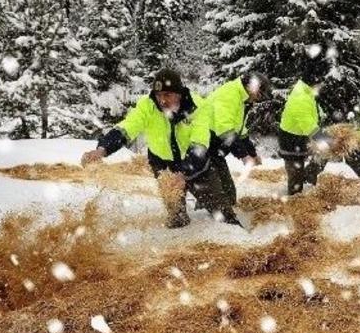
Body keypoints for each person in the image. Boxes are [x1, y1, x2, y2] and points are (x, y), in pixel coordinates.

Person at [80, 69, 239, 228]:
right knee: (177, 218)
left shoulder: (199, 107)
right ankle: (180, 242)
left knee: (223, 214)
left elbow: (199, 145)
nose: (162, 100)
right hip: (163, 166)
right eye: (159, 95)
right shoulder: (147, 105)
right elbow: (127, 128)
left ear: (179, 93)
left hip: (196, 166)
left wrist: (183, 174)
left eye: (167, 95)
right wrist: (102, 149)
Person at [206, 71, 271, 205]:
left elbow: (241, 132)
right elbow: (225, 130)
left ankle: (212, 207)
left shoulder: (242, 99)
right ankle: (214, 215)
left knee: (228, 194)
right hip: (203, 146)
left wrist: (252, 153)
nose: (258, 99)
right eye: (259, 94)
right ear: (251, 87)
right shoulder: (229, 95)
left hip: (214, 150)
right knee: (219, 195)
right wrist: (244, 156)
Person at [277, 62, 329, 195]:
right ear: (313, 81)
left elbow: (312, 115)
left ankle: (308, 175)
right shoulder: (301, 97)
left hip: (300, 136)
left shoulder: (307, 91)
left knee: (322, 155)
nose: (321, 86)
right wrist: (322, 138)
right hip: (290, 139)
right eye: (320, 82)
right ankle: (295, 198)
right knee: (295, 171)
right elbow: (307, 124)